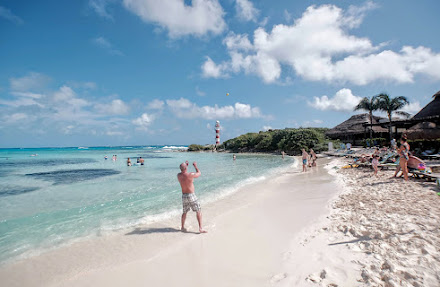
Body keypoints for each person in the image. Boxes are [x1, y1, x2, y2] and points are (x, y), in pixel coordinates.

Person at [177, 161, 207, 233]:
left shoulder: (178, 175)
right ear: (186, 168)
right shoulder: (190, 175)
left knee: (184, 212)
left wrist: (185, 166)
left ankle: (182, 227)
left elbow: (183, 172)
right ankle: (200, 228)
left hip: (184, 196)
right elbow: (199, 173)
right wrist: (195, 166)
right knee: (198, 211)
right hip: (191, 195)